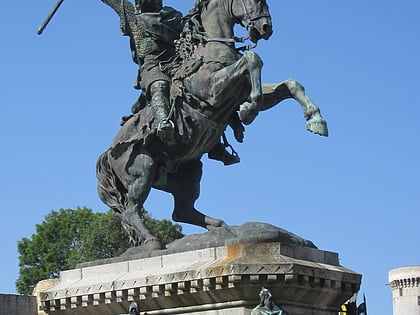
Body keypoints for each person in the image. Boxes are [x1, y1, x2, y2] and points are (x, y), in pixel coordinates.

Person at [101, 0, 183, 140]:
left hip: (177, 62)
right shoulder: (133, 16)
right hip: (152, 65)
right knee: (160, 85)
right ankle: (163, 122)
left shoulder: (172, 16)